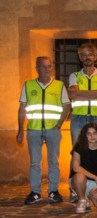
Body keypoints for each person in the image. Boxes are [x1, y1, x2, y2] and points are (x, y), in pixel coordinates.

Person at [17, 56, 71, 205]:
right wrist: (20, 130)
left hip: (53, 130)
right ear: (37, 69)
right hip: (33, 129)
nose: (47, 69)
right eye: (43, 66)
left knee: (53, 161)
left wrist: (58, 125)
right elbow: (22, 108)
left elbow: (66, 106)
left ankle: (53, 191)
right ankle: (35, 192)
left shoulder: (59, 85)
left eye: (49, 66)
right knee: (35, 162)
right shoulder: (28, 85)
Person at [68, 43, 97, 144]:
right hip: (78, 117)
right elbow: (74, 96)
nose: (87, 57)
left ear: (95, 57)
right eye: (84, 55)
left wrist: (78, 93)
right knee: (77, 149)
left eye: (90, 54)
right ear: (80, 57)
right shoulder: (74, 75)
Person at [70, 123, 97, 214]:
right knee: (80, 177)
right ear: (85, 136)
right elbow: (76, 167)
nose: (92, 136)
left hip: (96, 183)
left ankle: (88, 195)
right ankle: (82, 199)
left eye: (94, 133)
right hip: (79, 180)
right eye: (89, 134)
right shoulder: (79, 147)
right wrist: (94, 177)